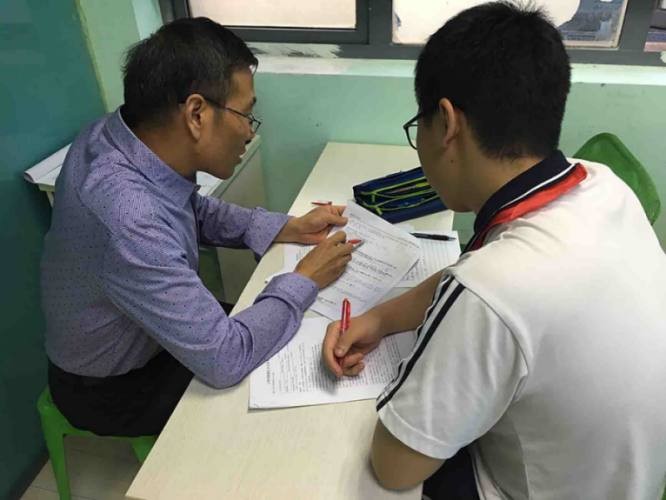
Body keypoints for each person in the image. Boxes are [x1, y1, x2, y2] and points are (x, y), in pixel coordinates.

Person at [322, 2, 666, 499]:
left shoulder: (491, 289)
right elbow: (476, 274)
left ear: (447, 123)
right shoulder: (600, 184)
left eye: (418, 126)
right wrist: (379, 319)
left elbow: (395, 468)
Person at [41, 17, 356, 437]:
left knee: (287, 331)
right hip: (114, 387)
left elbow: (188, 208)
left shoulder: (118, 136)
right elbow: (225, 358)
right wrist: (305, 279)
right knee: (286, 386)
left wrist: (286, 227)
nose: (249, 133)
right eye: (246, 115)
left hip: (151, 337)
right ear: (195, 114)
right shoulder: (127, 216)